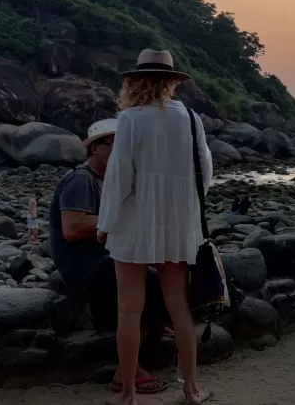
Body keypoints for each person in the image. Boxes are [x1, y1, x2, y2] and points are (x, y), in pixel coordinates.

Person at [97, 49, 213, 405]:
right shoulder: (192, 119)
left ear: (135, 82)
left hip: (135, 224)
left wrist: (105, 223)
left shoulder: (130, 119)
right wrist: (182, 210)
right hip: (177, 224)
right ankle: (191, 389)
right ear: (170, 83)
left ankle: (129, 393)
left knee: (129, 310)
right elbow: (205, 173)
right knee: (177, 304)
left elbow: (120, 178)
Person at [47, 118, 169, 396]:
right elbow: (73, 228)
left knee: (166, 271)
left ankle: (148, 338)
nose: (123, 152)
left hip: (106, 257)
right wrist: (121, 217)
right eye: (114, 145)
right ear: (95, 149)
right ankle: (128, 371)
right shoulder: (81, 179)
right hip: (83, 265)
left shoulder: (112, 181)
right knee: (147, 284)